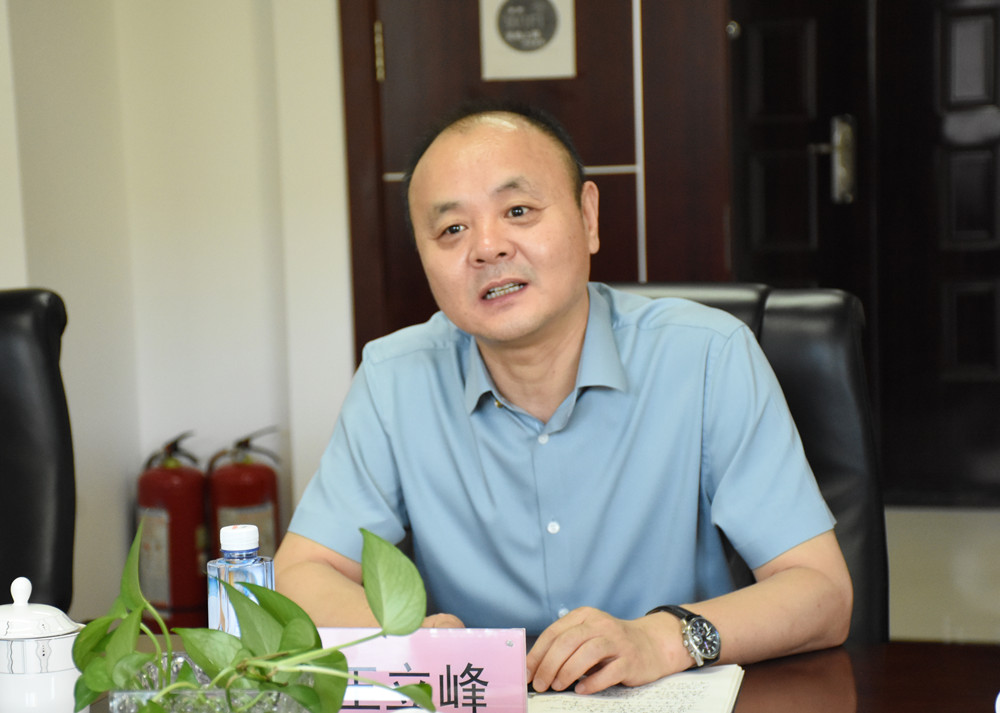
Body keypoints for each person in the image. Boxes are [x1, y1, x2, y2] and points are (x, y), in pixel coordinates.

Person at [274, 100, 853, 695]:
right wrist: (410, 640)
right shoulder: (395, 378)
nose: (487, 248)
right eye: (452, 229)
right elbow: (302, 570)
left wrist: (658, 640)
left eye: (518, 211)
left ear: (588, 216)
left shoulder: (707, 356)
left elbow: (822, 593)